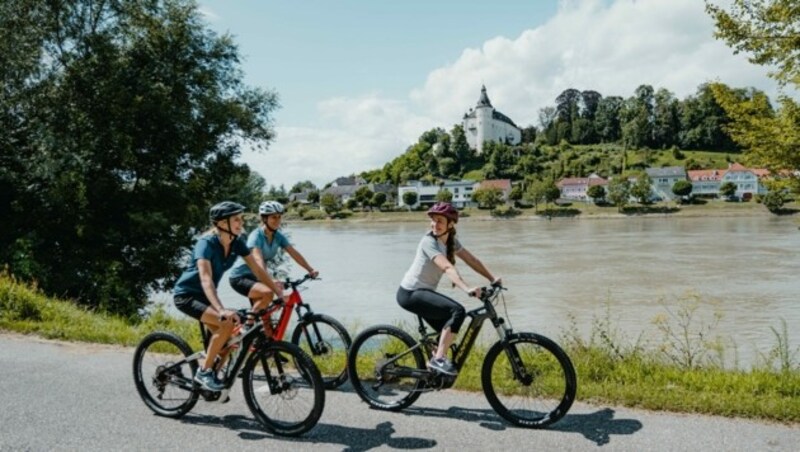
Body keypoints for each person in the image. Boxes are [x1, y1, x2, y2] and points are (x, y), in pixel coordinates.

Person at [173, 201, 283, 392]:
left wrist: (277, 292)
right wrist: (221, 309)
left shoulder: (236, 242)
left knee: (231, 338)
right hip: (188, 296)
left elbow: (257, 269)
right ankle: (204, 373)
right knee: (226, 323)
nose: (242, 224)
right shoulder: (205, 244)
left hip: (207, 297)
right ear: (222, 224)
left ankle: (212, 378)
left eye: (241, 219)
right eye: (236, 220)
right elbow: (206, 279)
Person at [397, 202, 501, 376]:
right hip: (410, 294)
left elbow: (472, 260)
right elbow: (447, 267)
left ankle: (433, 369)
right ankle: (438, 360)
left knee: (448, 330)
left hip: (424, 292)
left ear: (450, 224)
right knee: (457, 311)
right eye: (433, 220)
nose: (434, 225)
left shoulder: (451, 241)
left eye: (439, 221)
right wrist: (466, 288)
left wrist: (493, 278)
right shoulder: (428, 241)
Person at [228, 200, 318, 326]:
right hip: (240, 277)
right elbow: (259, 263)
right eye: (273, 217)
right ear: (264, 219)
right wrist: (272, 283)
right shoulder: (256, 236)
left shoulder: (278, 236)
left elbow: (293, 253)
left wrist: (310, 269)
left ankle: (260, 342)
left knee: (267, 325)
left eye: (279, 217)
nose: (277, 220)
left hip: (257, 277)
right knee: (268, 293)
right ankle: (247, 326)